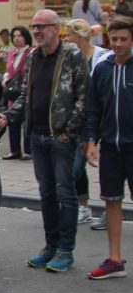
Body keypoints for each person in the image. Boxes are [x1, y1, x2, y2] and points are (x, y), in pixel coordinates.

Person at [0, 9, 88, 273]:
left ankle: (65, 250)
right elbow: (26, 94)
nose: (36, 31)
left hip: (60, 137)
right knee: (46, 194)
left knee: (65, 193)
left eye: (41, 27)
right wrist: (10, 116)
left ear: (55, 29)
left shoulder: (72, 56)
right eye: (33, 26)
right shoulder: (34, 57)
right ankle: (50, 246)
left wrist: (68, 131)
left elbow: (83, 97)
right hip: (37, 135)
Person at [83, 15, 133, 278]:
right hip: (111, 147)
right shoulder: (102, 69)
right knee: (111, 200)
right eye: (114, 39)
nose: (118, 44)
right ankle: (115, 260)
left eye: (123, 39)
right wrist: (91, 141)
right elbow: (93, 109)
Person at [65, 18, 113, 226]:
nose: (66, 39)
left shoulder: (102, 56)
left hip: (105, 118)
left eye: (69, 35)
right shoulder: (70, 57)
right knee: (75, 167)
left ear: (79, 36)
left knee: (111, 168)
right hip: (82, 120)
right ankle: (83, 206)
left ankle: (110, 209)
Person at [1, 26, 34, 161]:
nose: (17, 39)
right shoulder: (12, 53)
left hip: (27, 90)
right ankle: (14, 150)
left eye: (19, 36)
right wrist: (6, 77)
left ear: (25, 37)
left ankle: (28, 150)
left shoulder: (32, 52)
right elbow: (9, 69)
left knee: (27, 119)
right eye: (14, 36)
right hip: (13, 91)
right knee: (12, 118)